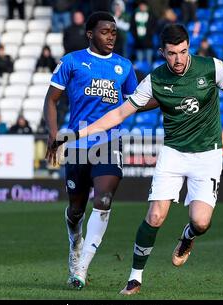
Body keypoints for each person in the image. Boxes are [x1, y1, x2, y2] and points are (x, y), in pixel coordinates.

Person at [69, 24, 223, 295]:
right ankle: (135, 277)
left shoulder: (212, 68)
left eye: (183, 52)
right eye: (172, 54)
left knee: (201, 222)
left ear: (189, 48)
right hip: (173, 153)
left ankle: (188, 237)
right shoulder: (154, 80)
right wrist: (82, 131)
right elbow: (119, 113)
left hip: (208, 154)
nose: (179, 59)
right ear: (162, 52)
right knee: (156, 215)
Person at [44, 11, 140, 290]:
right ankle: (75, 241)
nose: (111, 36)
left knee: (104, 199)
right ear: (90, 34)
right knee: (76, 210)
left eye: (113, 31)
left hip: (109, 143)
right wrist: (53, 135)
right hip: (76, 145)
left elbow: (137, 102)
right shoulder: (72, 62)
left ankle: (82, 266)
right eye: (104, 31)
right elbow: (51, 100)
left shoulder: (125, 66)